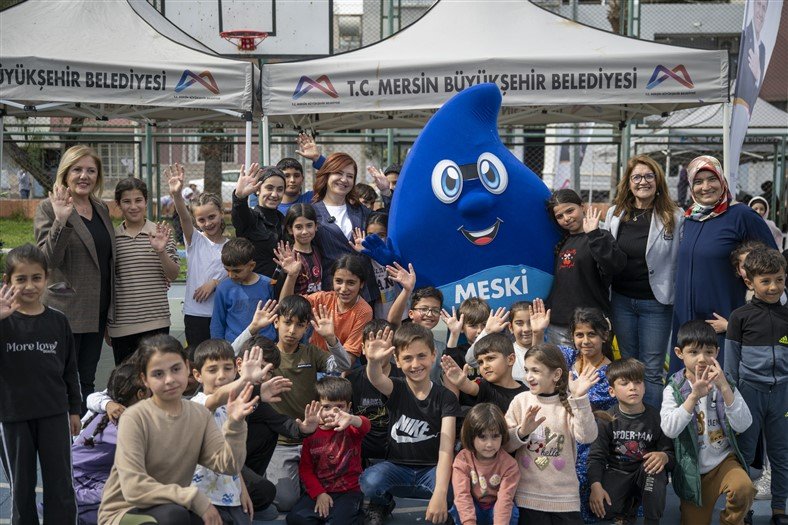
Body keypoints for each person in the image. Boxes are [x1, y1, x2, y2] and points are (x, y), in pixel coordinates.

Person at [98, 334, 256, 525]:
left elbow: (228, 465)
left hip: (175, 503)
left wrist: (236, 423)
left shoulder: (199, 414)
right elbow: (134, 488)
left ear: (187, 369)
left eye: (176, 369)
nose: (169, 379)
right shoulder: (135, 418)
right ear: (145, 379)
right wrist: (194, 498)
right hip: (126, 511)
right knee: (174, 515)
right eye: (158, 374)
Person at [670, 155, 776, 373]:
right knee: (686, 383)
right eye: (698, 181)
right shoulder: (689, 218)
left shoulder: (741, 215)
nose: (705, 187)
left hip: (722, 321)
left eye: (712, 179)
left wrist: (740, 318)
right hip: (687, 321)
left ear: (722, 180)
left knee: (720, 382)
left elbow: (772, 263)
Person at [0, 244, 81, 524]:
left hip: (54, 414)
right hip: (13, 416)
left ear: (46, 278)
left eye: (36, 278)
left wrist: (74, 409)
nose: (29, 285)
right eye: (21, 279)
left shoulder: (58, 321)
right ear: (7, 281)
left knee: (61, 484)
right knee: (21, 488)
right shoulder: (3, 323)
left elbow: (70, 370)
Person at [34, 144, 116, 412]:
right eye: (77, 170)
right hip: (65, 310)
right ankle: (59, 431)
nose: (84, 176)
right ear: (65, 173)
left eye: (91, 170)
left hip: (97, 311)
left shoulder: (101, 208)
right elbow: (47, 261)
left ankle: (80, 433)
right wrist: (61, 220)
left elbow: (107, 258)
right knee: (62, 379)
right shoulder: (49, 207)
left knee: (86, 379)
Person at [360, 323, 463, 525]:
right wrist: (372, 361)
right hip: (397, 467)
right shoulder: (396, 388)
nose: (415, 364)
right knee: (370, 481)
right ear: (397, 361)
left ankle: (444, 510)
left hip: (432, 469)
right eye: (407, 358)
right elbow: (376, 379)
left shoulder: (445, 397)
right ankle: (382, 503)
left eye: (421, 356)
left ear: (433, 355)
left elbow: (446, 449)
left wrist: (440, 494)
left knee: (454, 487)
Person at [603, 155, 683, 409]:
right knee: (628, 366)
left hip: (655, 303)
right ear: (628, 183)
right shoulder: (615, 214)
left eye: (649, 176)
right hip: (621, 301)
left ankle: (652, 425)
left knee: (651, 370)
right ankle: (631, 420)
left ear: (658, 182)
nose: (643, 182)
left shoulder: (673, 216)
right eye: (636, 177)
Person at [660, 320, 755, 525]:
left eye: (709, 352)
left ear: (717, 352)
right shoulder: (674, 388)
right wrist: (693, 397)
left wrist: (724, 387)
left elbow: (744, 424)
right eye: (693, 352)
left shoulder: (725, 382)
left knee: (744, 488)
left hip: (723, 462)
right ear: (679, 353)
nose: (702, 359)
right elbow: (669, 429)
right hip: (693, 470)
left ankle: (732, 521)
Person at [265, 295, 352, 512]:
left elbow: (343, 364)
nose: (292, 330)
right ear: (276, 322)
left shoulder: (311, 352)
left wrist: (331, 338)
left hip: (314, 440)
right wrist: (252, 329)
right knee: (285, 501)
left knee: (337, 489)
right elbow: (234, 360)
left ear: (307, 328)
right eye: (287, 322)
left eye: (300, 325)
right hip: (281, 442)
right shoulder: (266, 354)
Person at [190, 340, 290, 524]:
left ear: (235, 369)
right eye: (212, 370)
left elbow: (232, 459)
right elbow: (216, 398)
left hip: (230, 495)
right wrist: (245, 380)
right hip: (203, 498)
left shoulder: (235, 407)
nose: (221, 376)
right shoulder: (197, 403)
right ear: (197, 375)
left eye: (227, 368)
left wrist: (242, 490)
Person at [724, 248, 788, 524]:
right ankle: (742, 510)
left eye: (780, 279)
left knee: (781, 453)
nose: (774, 287)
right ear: (749, 282)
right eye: (766, 281)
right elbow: (730, 364)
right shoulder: (739, 317)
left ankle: (779, 509)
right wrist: (732, 396)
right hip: (748, 393)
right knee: (744, 453)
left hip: (783, 394)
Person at [505, 343, 599, 524]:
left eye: (535, 370)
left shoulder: (570, 402)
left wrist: (580, 398)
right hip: (527, 498)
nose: (529, 377)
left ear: (556, 374)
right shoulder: (520, 401)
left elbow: (587, 437)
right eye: (527, 370)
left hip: (565, 500)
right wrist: (522, 432)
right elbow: (505, 445)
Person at [587, 358, 674, 525]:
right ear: (612, 391)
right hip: (618, 471)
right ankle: (627, 510)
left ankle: (652, 520)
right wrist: (595, 486)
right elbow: (596, 457)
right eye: (625, 383)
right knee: (603, 508)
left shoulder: (657, 418)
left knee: (655, 473)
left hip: (646, 472)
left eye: (638, 382)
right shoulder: (606, 419)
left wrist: (664, 456)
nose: (633, 387)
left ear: (644, 387)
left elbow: (670, 455)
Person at [108, 178, 179, 365]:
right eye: (126, 201)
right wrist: (107, 324)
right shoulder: (111, 237)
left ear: (146, 201)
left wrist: (161, 251)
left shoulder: (161, 232)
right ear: (118, 204)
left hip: (156, 321)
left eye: (138, 200)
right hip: (121, 325)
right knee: (126, 379)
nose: (133, 206)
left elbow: (173, 274)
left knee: (157, 376)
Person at [545, 188, 627, 346]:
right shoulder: (562, 242)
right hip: (559, 325)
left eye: (570, 211)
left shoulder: (600, 236)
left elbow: (615, 266)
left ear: (582, 206)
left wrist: (594, 235)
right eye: (560, 216)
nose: (566, 218)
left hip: (590, 325)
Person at [72, 361, 149, 525]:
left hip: (92, 477)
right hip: (81, 483)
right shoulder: (121, 424)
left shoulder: (115, 410)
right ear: (141, 394)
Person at [287, 377, 370, 525]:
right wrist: (319, 493)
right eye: (326, 407)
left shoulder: (351, 428)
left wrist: (352, 419)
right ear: (317, 407)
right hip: (320, 490)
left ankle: (358, 516)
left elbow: (366, 425)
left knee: (338, 522)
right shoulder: (311, 433)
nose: (332, 412)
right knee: (296, 518)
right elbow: (305, 469)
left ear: (348, 407)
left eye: (339, 407)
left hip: (348, 492)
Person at [560, 308, 617, 524]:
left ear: (604, 335)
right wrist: (538, 334)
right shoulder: (567, 357)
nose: (585, 341)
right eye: (579, 335)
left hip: (592, 441)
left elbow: (590, 415)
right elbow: (540, 360)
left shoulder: (611, 373)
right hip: (562, 433)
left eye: (591, 334)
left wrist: (576, 394)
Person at [167, 164, 229, 350]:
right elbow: (184, 217)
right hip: (195, 313)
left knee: (221, 357)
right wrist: (177, 194)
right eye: (201, 220)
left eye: (212, 217)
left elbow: (235, 275)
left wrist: (215, 283)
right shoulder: (195, 240)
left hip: (221, 313)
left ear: (221, 213)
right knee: (196, 358)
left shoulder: (231, 246)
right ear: (196, 221)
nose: (208, 223)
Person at [278, 248, 373, 363]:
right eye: (339, 281)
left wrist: (331, 338)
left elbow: (348, 360)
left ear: (361, 284)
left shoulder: (364, 311)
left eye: (351, 283)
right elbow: (286, 308)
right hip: (313, 359)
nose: (343, 289)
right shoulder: (321, 299)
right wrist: (292, 276)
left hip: (340, 364)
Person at [309, 152, 378, 303]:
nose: (344, 179)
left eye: (350, 176)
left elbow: (386, 222)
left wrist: (386, 191)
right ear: (327, 175)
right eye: (339, 173)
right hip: (331, 293)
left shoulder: (360, 210)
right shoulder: (312, 213)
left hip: (364, 293)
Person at [451, 403, 520, 525]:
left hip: (496, 508)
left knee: (512, 512)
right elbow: (462, 495)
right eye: (482, 437)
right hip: (473, 505)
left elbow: (505, 500)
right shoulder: (463, 459)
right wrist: (469, 522)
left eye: (495, 436)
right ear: (471, 436)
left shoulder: (509, 465)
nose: (489, 444)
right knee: (457, 508)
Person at [346, 319, 403, 464]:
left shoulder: (404, 377)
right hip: (361, 456)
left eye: (384, 347)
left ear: (393, 349)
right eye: (373, 347)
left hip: (398, 455)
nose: (379, 353)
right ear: (363, 348)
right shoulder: (351, 379)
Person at [210, 238, 277, 343]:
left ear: (252, 266)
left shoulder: (269, 284)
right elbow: (217, 323)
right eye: (227, 270)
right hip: (235, 344)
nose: (231, 275)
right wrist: (218, 347)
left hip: (266, 343)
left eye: (237, 271)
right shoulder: (223, 288)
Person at [441, 333, 527, 412]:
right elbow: (471, 387)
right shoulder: (484, 386)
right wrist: (462, 383)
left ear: (510, 359)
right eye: (480, 362)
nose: (485, 366)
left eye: (490, 358)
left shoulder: (527, 393)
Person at [232, 163, 286, 277]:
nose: (274, 194)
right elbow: (239, 212)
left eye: (280, 189)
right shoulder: (250, 218)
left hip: (283, 284)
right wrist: (239, 197)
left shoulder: (285, 221)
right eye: (269, 188)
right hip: (256, 285)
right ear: (257, 190)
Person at [350, 212, 402, 320]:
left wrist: (392, 261)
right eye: (370, 235)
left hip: (402, 316)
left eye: (381, 235)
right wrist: (361, 254)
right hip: (377, 317)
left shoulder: (396, 253)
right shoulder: (366, 258)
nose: (375, 239)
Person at [283, 203, 323, 296]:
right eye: (299, 227)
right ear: (290, 229)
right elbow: (283, 300)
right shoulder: (288, 258)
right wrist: (291, 275)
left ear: (316, 226)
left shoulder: (318, 250)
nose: (305, 231)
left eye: (309, 226)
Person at [507, 299, 550, 382]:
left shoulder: (553, 352)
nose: (526, 329)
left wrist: (538, 333)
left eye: (531, 322)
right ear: (511, 327)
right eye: (519, 323)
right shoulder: (506, 355)